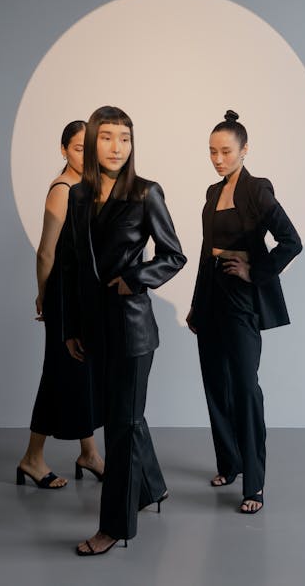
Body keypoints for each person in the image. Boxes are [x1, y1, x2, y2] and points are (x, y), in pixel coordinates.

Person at [62, 106, 186, 555]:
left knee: (121, 424)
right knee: (124, 416)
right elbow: (74, 265)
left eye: (125, 138)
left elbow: (173, 255)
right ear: (93, 141)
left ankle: (114, 527)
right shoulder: (77, 195)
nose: (117, 147)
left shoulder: (146, 193)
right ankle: (152, 488)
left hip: (133, 330)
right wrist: (72, 326)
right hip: (94, 329)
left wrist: (135, 279)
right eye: (108, 137)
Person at [187, 110, 302, 514]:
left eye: (225, 151)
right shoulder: (210, 193)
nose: (217, 159)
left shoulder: (257, 191)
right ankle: (229, 464)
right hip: (212, 295)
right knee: (215, 385)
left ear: (244, 150)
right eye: (212, 152)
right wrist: (196, 305)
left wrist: (254, 272)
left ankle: (254, 484)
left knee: (246, 388)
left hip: (240, 298)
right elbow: (205, 253)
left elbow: (291, 241)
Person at [15, 121, 105, 490]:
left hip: (83, 294)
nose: (85, 155)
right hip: (63, 295)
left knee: (81, 371)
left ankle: (89, 453)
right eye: (78, 148)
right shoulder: (62, 189)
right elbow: (46, 251)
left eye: (90, 147)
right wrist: (43, 293)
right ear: (64, 149)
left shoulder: (89, 188)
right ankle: (32, 458)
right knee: (59, 372)